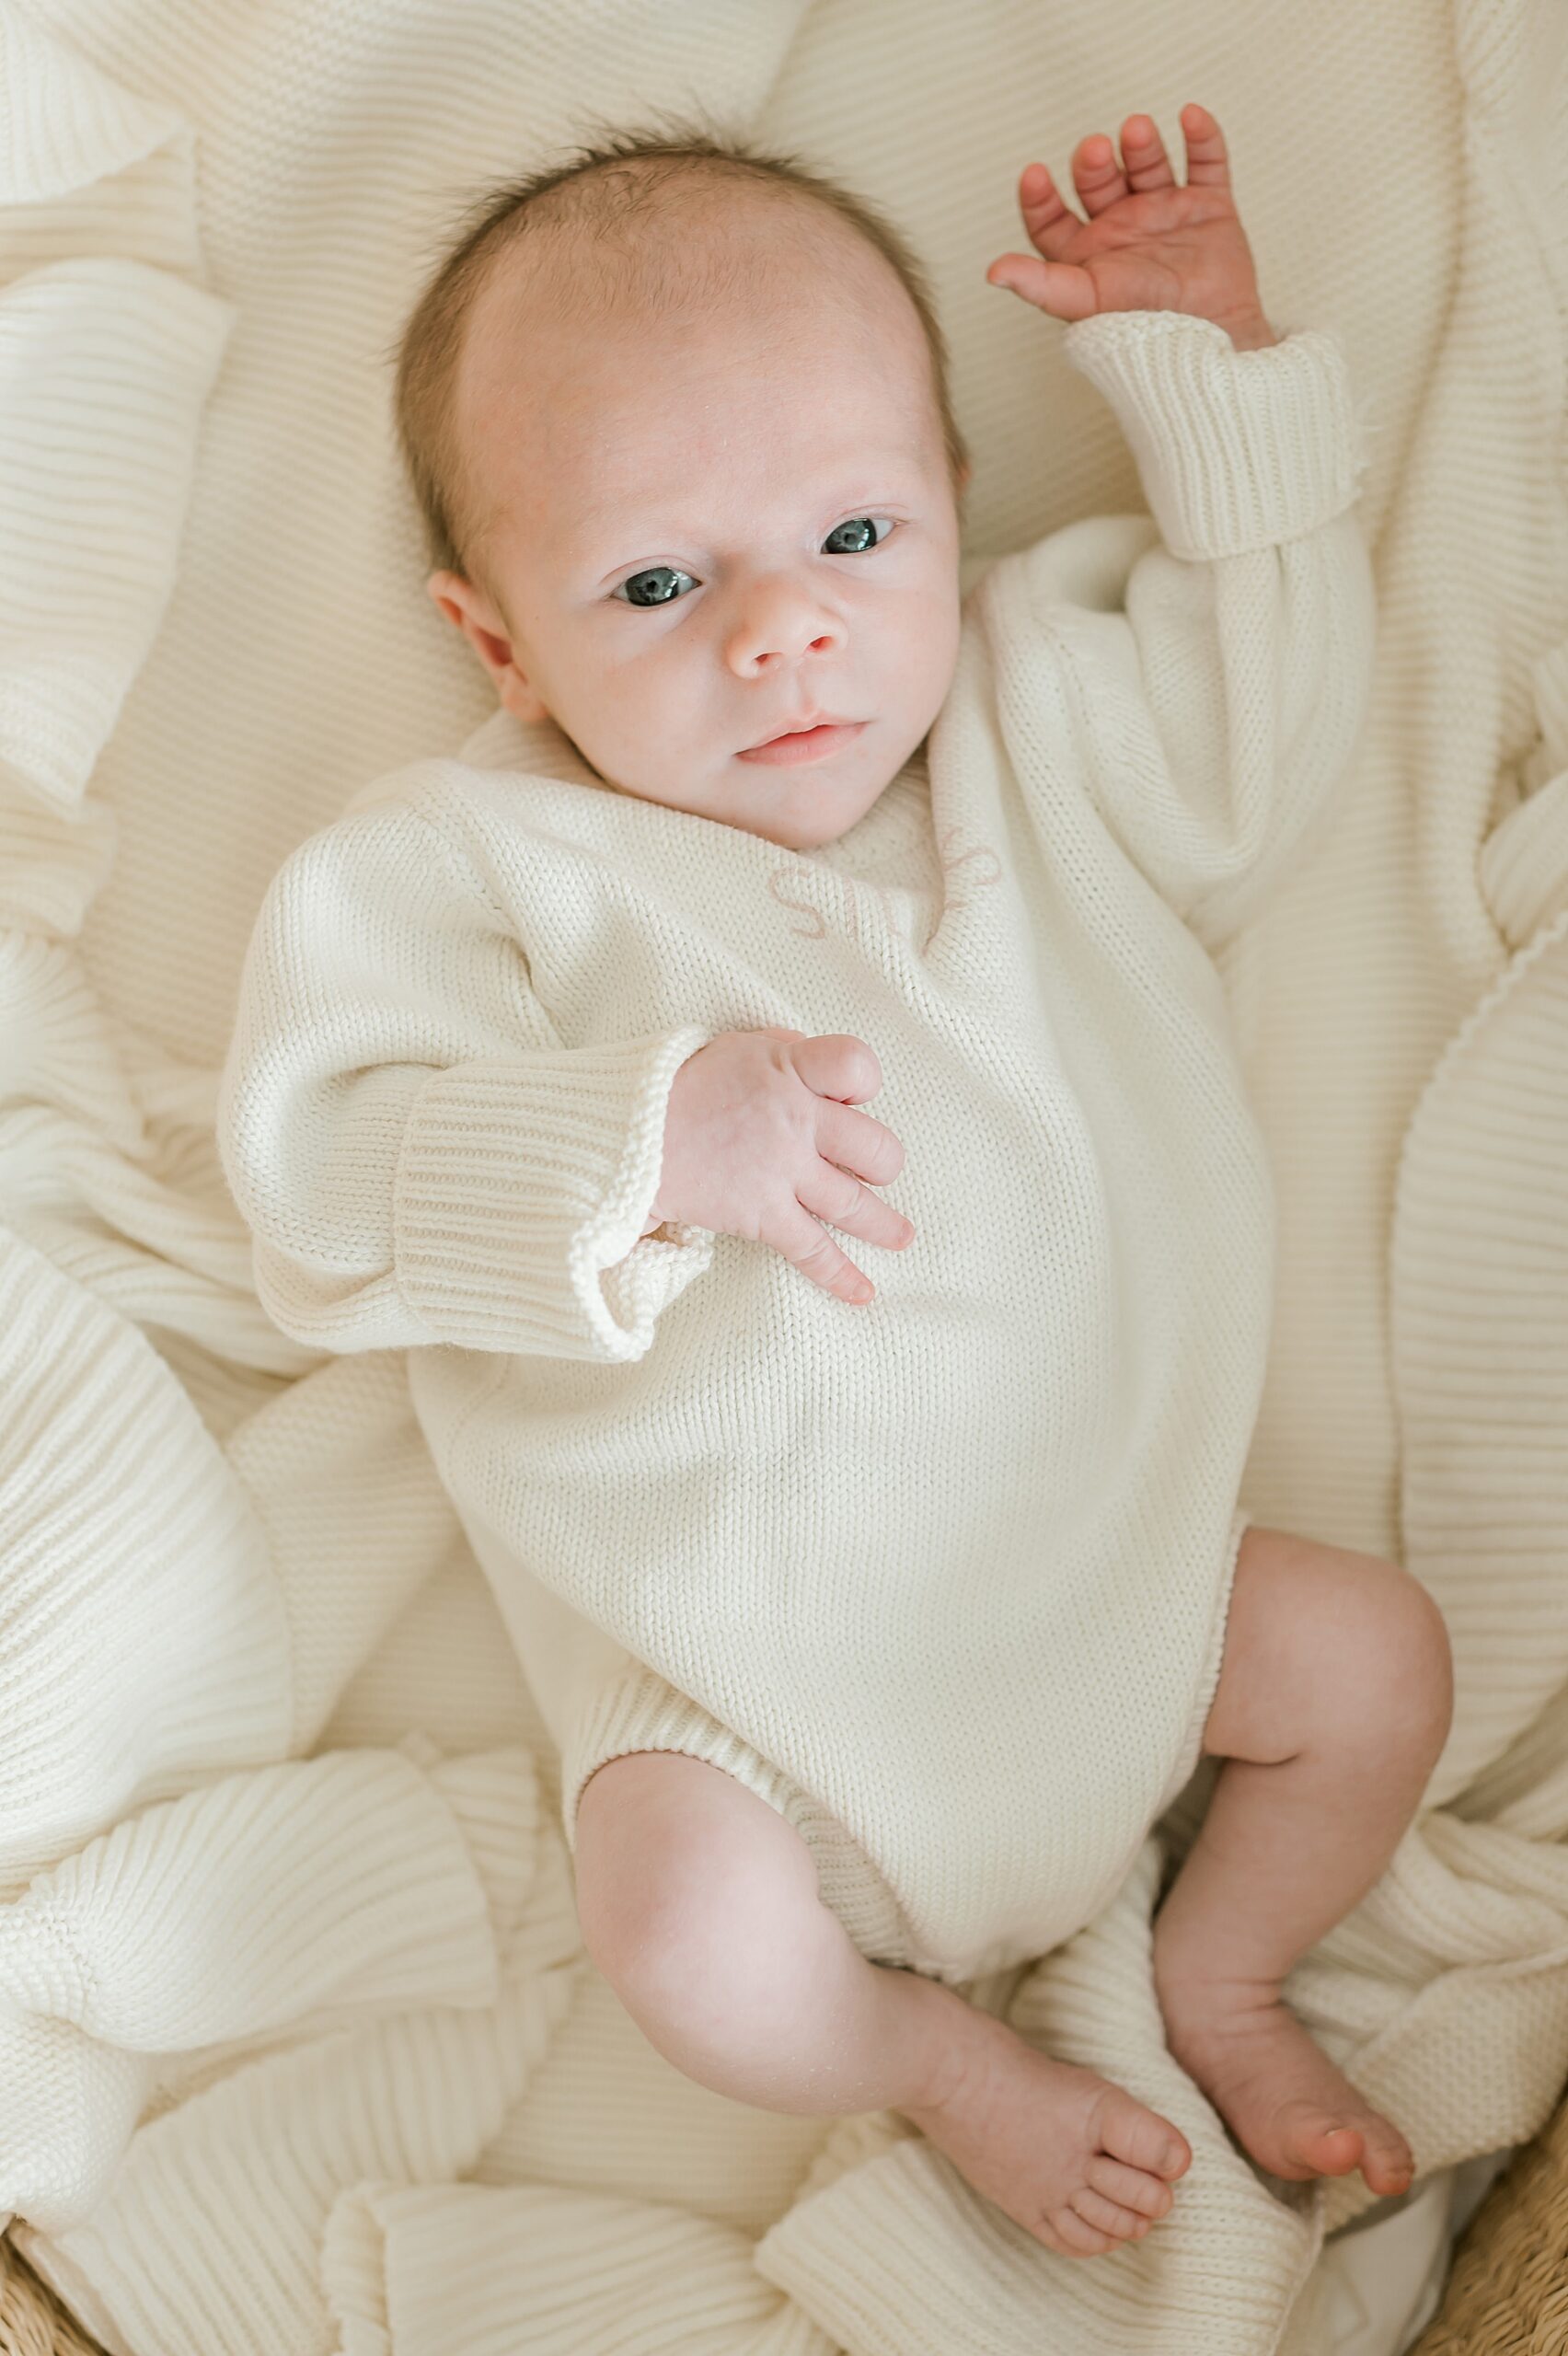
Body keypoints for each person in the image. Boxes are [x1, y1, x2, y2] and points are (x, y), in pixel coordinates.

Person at [217, 103, 1454, 2259]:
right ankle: (929, 2054)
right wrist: (643, 1140)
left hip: (1128, 1604)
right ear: (497, 639)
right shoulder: (472, 867)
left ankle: (1221, 1963)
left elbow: (1279, 737)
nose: (783, 635)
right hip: (748, 1707)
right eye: (660, 582)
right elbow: (319, 1194)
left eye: (856, 539)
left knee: (1371, 1663)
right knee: (684, 1936)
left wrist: (1214, 370)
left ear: (955, 510)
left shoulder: (1044, 711)